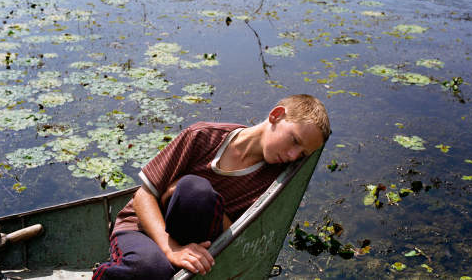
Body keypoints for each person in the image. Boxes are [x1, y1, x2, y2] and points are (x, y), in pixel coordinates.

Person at [92, 94, 330, 280]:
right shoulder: (202, 136)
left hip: (197, 237)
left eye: (302, 154)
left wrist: (179, 196)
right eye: (294, 141)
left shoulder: (275, 179)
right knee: (152, 266)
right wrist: (171, 248)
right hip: (142, 228)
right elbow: (143, 196)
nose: (292, 155)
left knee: (195, 197)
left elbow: (241, 233)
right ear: (276, 116)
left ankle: (175, 263)